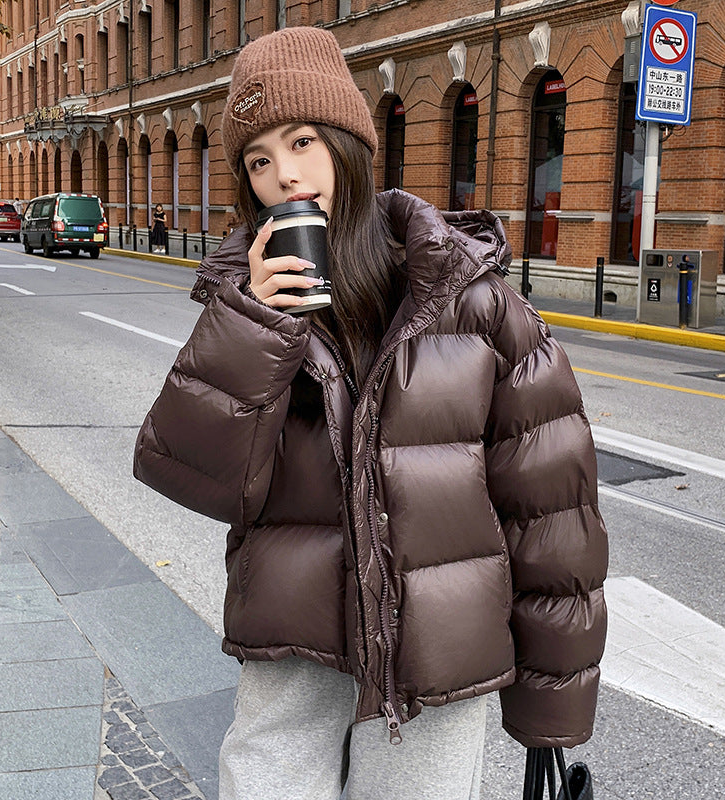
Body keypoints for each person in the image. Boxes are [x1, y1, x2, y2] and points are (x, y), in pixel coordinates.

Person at [134, 26, 608, 800]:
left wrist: (552, 706)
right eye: (258, 160)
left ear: (349, 146)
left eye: (302, 142)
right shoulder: (243, 307)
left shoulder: (474, 303)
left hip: (436, 668)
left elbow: (552, 515)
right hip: (293, 660)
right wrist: (258, 324)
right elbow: (195, 476)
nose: (284, 175)